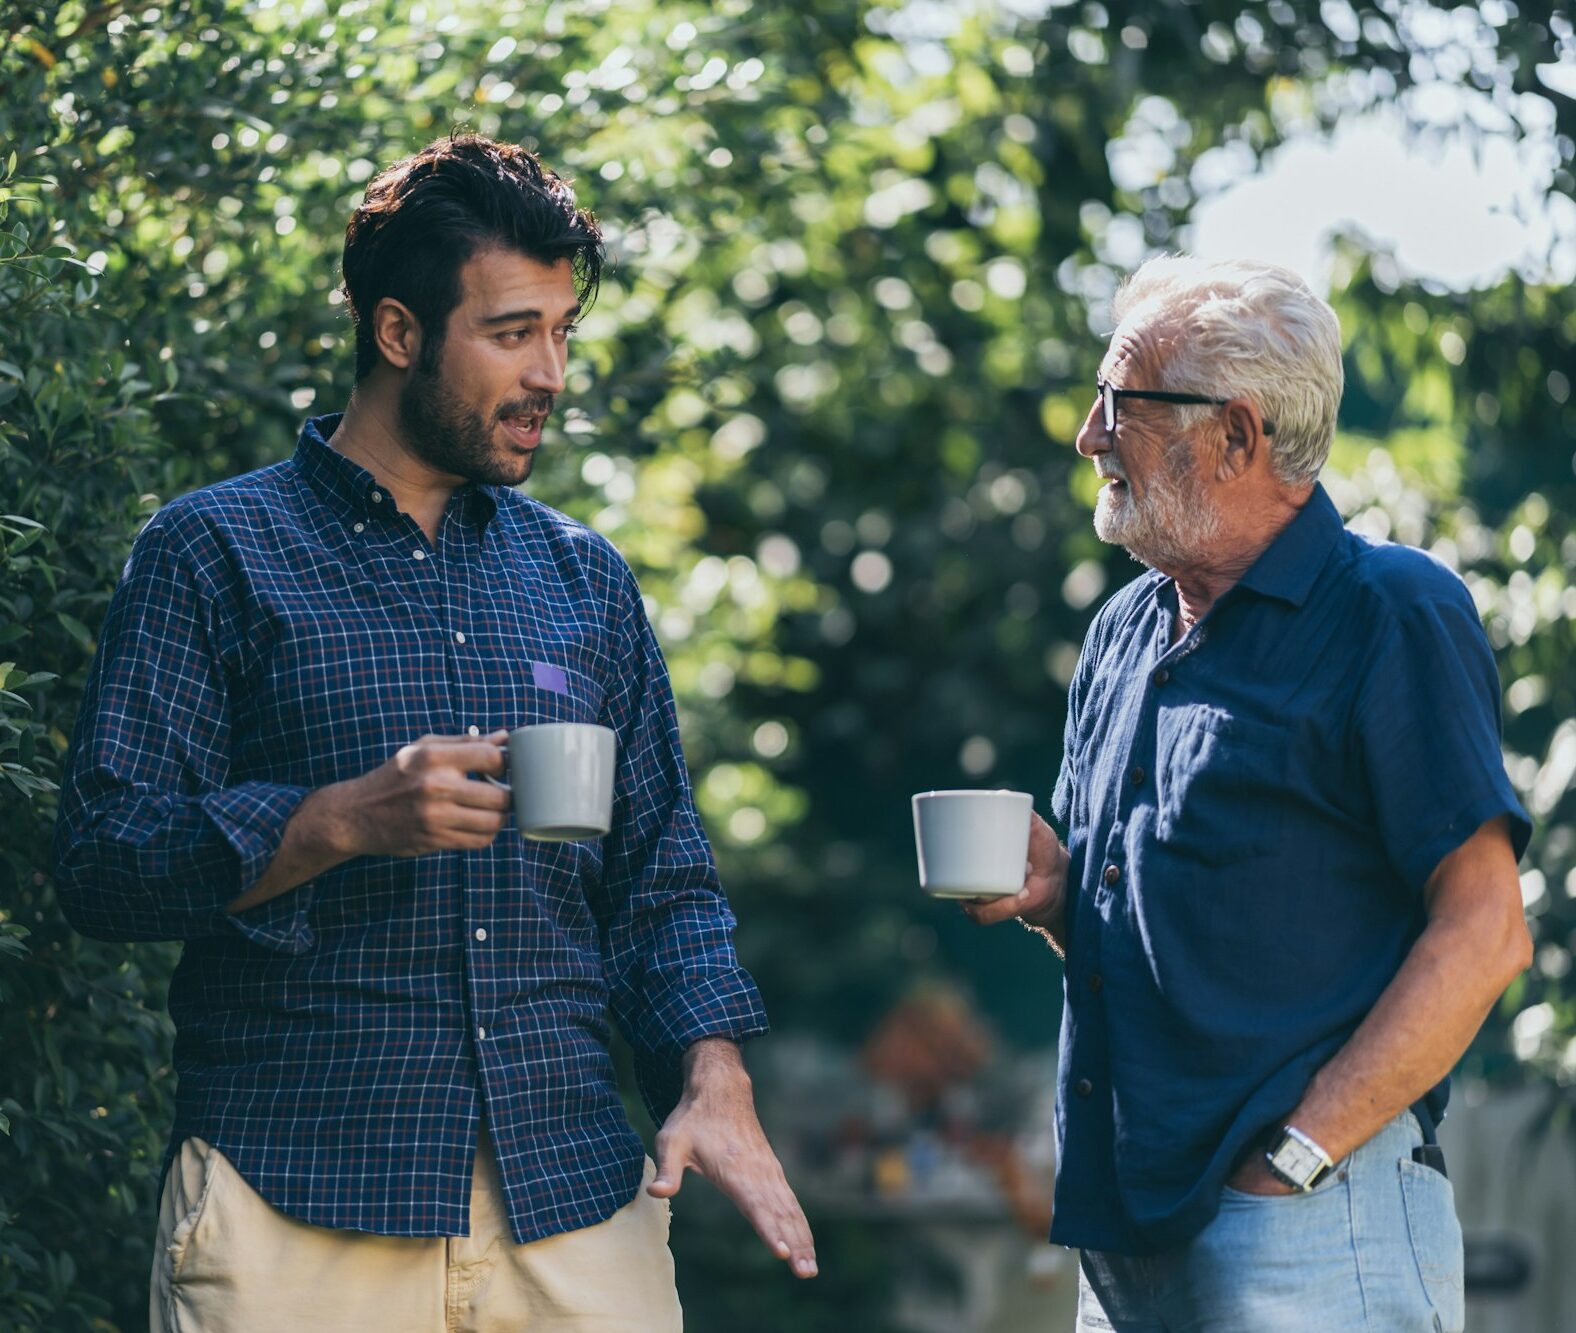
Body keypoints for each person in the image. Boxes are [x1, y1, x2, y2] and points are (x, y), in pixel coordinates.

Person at [54, 134, 815, 1332]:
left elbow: (661, 875)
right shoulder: (213, 553)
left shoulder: (584, 581)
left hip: (573, 1206)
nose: (552, 371)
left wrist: (712, 1075)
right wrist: (335, 820)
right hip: (296, 1207)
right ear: (399, 333)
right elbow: (103, 862)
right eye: (513, 333)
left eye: (563, 331)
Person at [965, 256, 1531, 1332]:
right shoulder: (1123, 633)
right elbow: (1153, 961)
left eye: (1119, 403)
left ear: (1235, 434)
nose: (1088, 434)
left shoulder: (1390, 612)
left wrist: (1294, 1165)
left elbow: (1486, 931)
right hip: (1128, 1235)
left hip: (1311, 1226)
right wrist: (1055, 901)